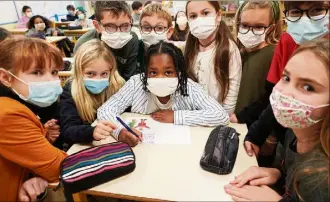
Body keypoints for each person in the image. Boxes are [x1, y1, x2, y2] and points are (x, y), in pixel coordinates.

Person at [224, 39, 329, 202]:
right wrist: (278, 174)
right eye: (286, 78)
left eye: (308, 87)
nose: (285, 92)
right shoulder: (294, 133)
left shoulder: (322, 178)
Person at [97, 41, 229, 147]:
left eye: (168, 72)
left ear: (179, 72)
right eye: (153, 72)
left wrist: (177, 116)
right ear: (146, 72)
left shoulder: (188, 87)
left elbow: (221, 115)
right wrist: (119, 131)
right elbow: (106, 110)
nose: (160, 78)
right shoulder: (136, 83)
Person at [243, 1, 329, 159]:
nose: (305, 20)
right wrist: (258, 134)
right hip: (291, 143)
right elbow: (275, 93)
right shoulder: (287, 41)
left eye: (317, 10)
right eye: (295, 12)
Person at [0, 38, 67, 201]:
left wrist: (42, 135)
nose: (50, 80)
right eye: (37, 72)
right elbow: (59, 166)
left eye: (54, 72)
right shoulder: (7, 114)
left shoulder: (21, 103)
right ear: (6, 77)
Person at [60, 39, 124, 146]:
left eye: (104, 73)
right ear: (79, 71)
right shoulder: (70, 90)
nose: (98, 79)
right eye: (90, 73)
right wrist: (91, 132)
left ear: (111, 71)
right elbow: (67, 130)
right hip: (89, 145)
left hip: (115, 141)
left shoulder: (117, 85)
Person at [230, 1, 282, 128]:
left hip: (256, 129)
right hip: (233, 123)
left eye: (259, 27)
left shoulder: (274, 54)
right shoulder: (237, 53)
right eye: (245, 25)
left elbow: (273, 99)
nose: (250, 31)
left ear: (271, 28)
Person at [185, 1, 242, 113]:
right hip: (193, 115)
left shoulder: (228, 49)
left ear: (218, 15)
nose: (199, 19)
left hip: (218, 115)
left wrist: (225, 115)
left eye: (205, 13)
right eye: (193, 16)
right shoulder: (190, 48)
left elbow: (233, 89)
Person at [74, 1, 139, 81]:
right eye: (110, 26)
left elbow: (130, 77)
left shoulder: (132, 39)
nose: (119, 33)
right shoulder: (83, 44)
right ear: (97, 26)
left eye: (125, 25)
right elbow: (81, 80)